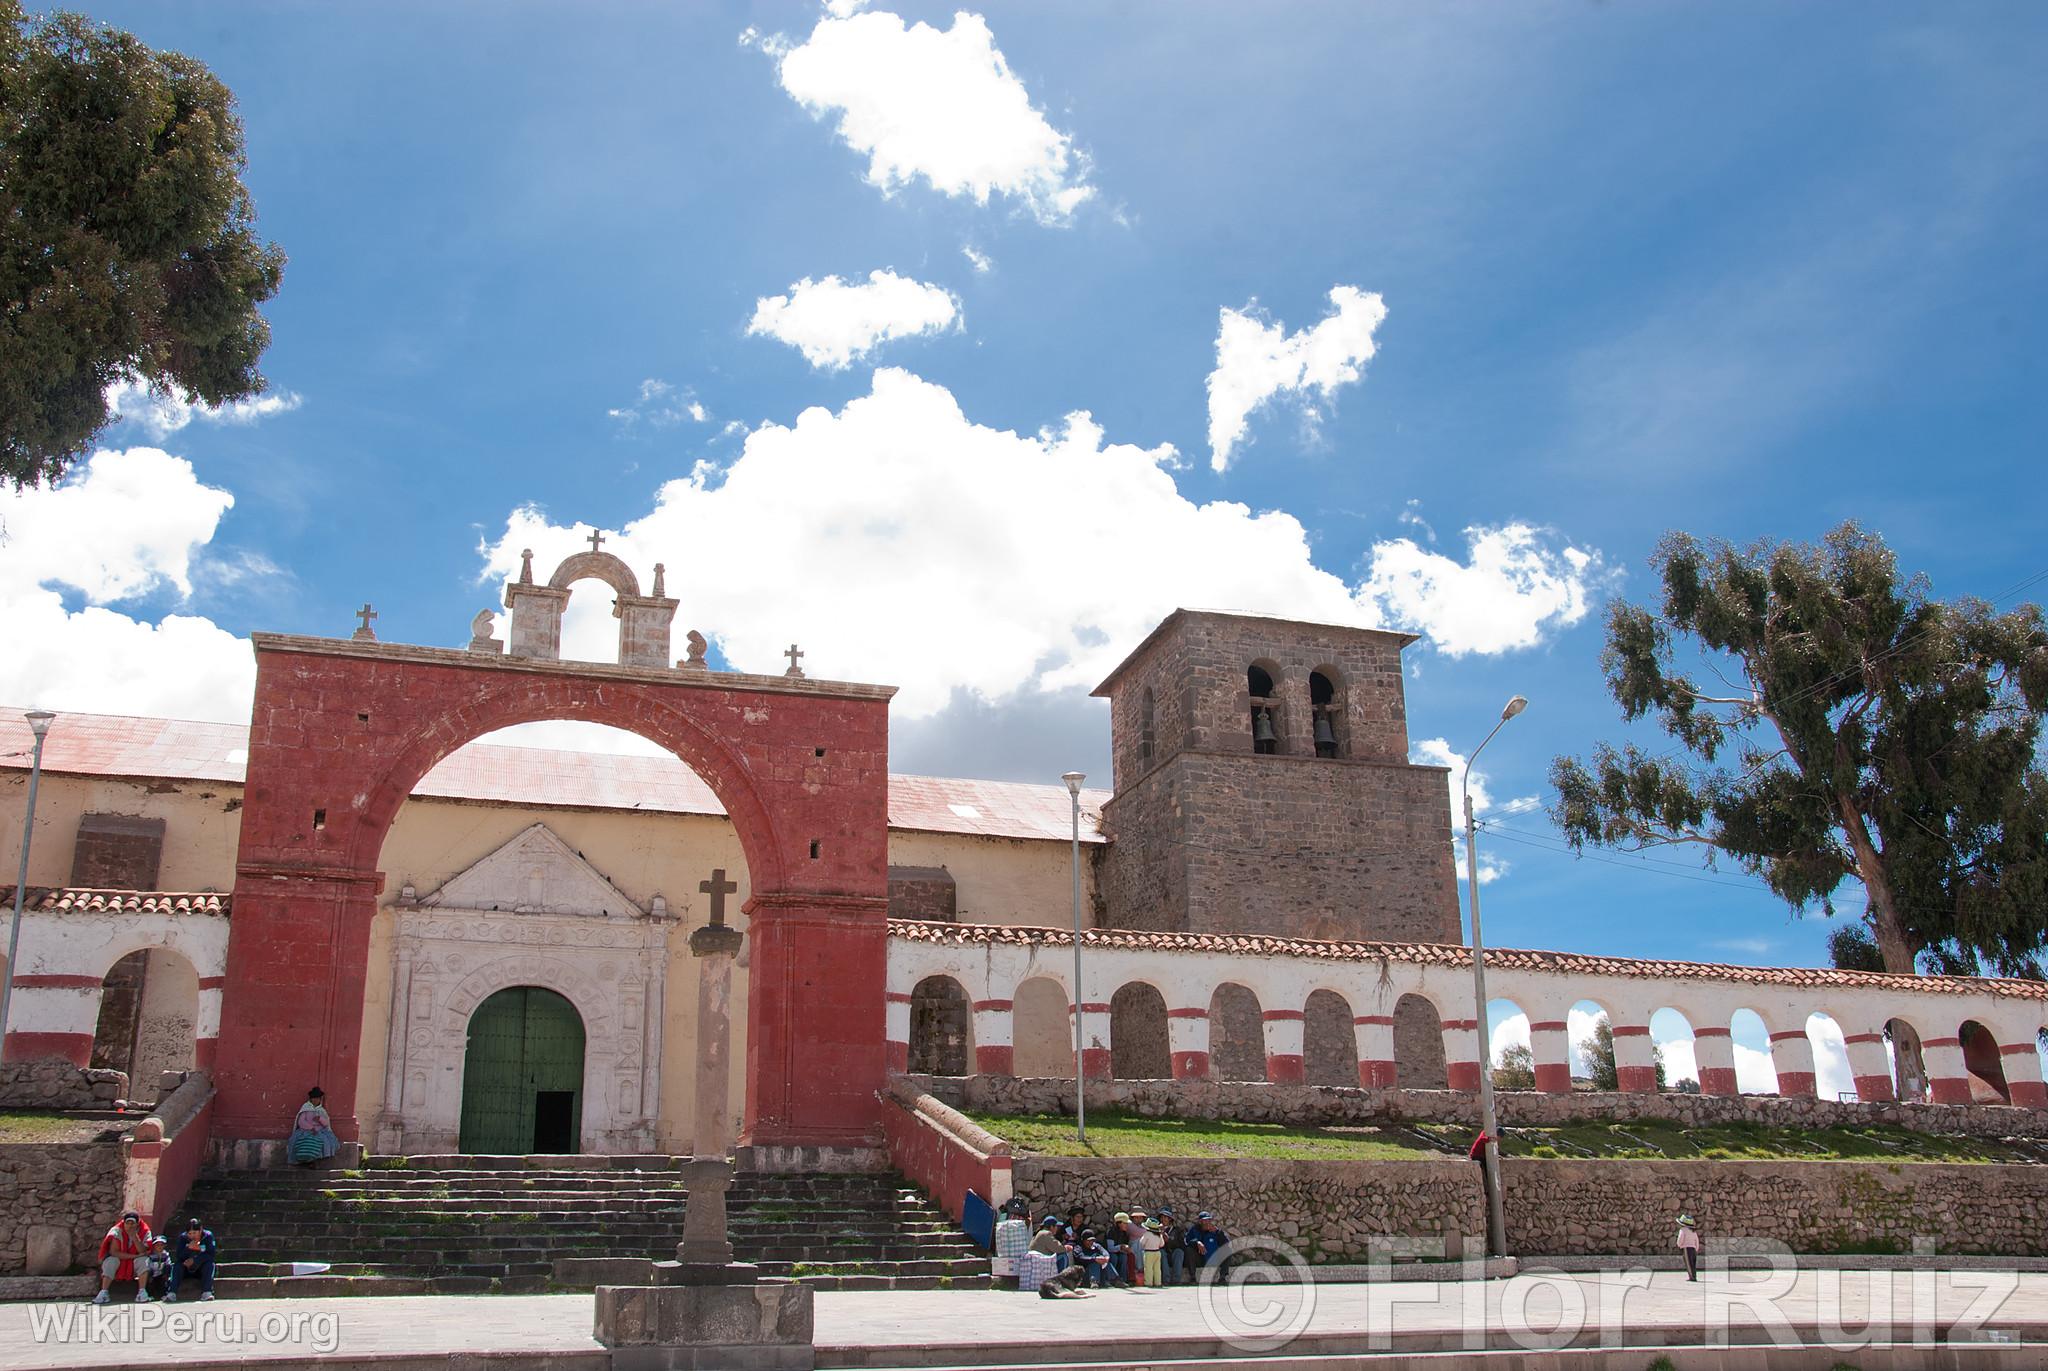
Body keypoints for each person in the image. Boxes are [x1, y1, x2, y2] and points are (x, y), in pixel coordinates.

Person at [92, 1210, 152, 1304]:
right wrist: (134, 1256)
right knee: (110, 1261)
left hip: (136, 1260)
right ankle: (104, 1292)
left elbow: (143, 1251)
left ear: (137, 1224)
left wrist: (135, 1237)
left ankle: (142, 1292)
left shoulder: (144, 1231)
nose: (130, 1226)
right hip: (121, 1259)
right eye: (128, 1223)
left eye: (133, 1223)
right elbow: (114, 1252)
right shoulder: (117, 1231)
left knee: (144, 1261)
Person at [167, 1217, 218, 1301]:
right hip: (186, 1269)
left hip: (201, 1269)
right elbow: (179, 1256)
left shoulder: (208, 1236)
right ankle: (171, 1293)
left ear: (200, 1230)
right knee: (177, 1266)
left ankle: (207, 1292)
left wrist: (196, 1259)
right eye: (190, 1233)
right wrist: (188, 1249)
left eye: (195, 1233)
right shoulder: (183, 1238)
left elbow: (211, 1254)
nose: (192, 1236)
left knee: (210, 1265)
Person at [287, 1086, 339, 1166]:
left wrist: (320, 1119)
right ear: (310, 1099)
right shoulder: (305, 1108)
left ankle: (314, 1161)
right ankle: (304, 1160)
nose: (316, 1100)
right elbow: (301, 1121)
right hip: (305, 1130)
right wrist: (311, 1128)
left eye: (318, 1098)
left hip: (320, 1131)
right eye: (314, 1098)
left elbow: (326, 1124)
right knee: (304, 1141)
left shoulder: (321, 1110)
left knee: (323, 1141)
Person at [1186, 1211, 1230, 1279]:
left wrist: (1218, 1233)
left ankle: (1222, 1277)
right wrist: (1197, 1242)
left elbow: (1226, 1243)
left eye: (1208, 1220)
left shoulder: (1215, 1231)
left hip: (1214, 1258)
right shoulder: (1194, 1230)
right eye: (1205, 1220)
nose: (1207, 1222)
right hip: (1201, 1258)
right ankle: (1192, 1277)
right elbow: (1186, 1241)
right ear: (1200, 1222)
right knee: (1189, 1250)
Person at [1158, 1208, 1189, 1285]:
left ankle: (1176, 1280)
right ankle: (1166, 1280)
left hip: (1173, 1254)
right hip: (1163, 1255)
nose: (1163, 1219)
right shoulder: (1156, 1230)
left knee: (1179, 1252)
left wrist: (1169, 1241)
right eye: (1161, 1217)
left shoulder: (1178, 1230)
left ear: (1170, 1219)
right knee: (1161, 1253)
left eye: (1165, 1217)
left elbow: (1182, 1245)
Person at [142, 1237, 172, 1302]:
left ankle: (164, 1294)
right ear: (154, 1246)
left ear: (164, 1246)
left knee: (165, 1280)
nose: (160, 1247)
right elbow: (148, 1265)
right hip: (152, 1275)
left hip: (161, 1274)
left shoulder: (166, 1255)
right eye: (157, 1245)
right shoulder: (151, 1256)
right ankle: (150, 1295)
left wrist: (166, 1273)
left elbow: (168, 1264)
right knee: (150, 1281)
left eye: (162, 1245)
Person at [1140, 1217, 1166, 1288]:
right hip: (1157, 1252)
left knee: (1148, 1268)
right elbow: (1162, 1244)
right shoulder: (1159, 1235)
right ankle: (1158, 1282)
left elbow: (1142, 1242)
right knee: (1157, 1269)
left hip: (1148, 1252)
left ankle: (1148, 1283)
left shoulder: (1147, 1234)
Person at [1676, 1212, 1701, 1282]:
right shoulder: (1693, 1232)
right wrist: (1696, 1248)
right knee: (1693, 1263)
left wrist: (1679, 1245)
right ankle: (1694, 1275)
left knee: (1688, 1263)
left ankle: (1692, 1277)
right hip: (1693, 1249)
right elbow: (1697, 1240)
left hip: (1686, 1248)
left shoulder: (1682, 1230)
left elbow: (1680, 1239)